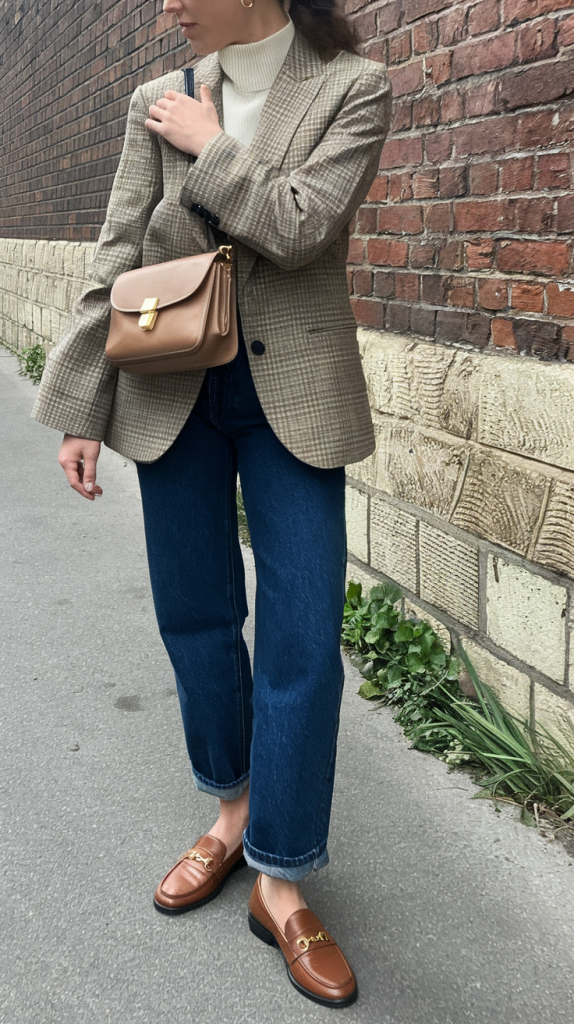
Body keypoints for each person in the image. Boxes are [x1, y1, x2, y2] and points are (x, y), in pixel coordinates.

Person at [33, 0, 391, 1008]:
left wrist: (209, 150)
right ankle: (230, 815)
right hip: (168, 382)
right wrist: (80, 408)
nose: (164, 9)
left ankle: (279, 876)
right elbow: (117, 256)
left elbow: (301, 228)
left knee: (304, 633)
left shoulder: (350, 88)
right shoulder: (157, 95)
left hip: (296, 391)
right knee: (195, 616)